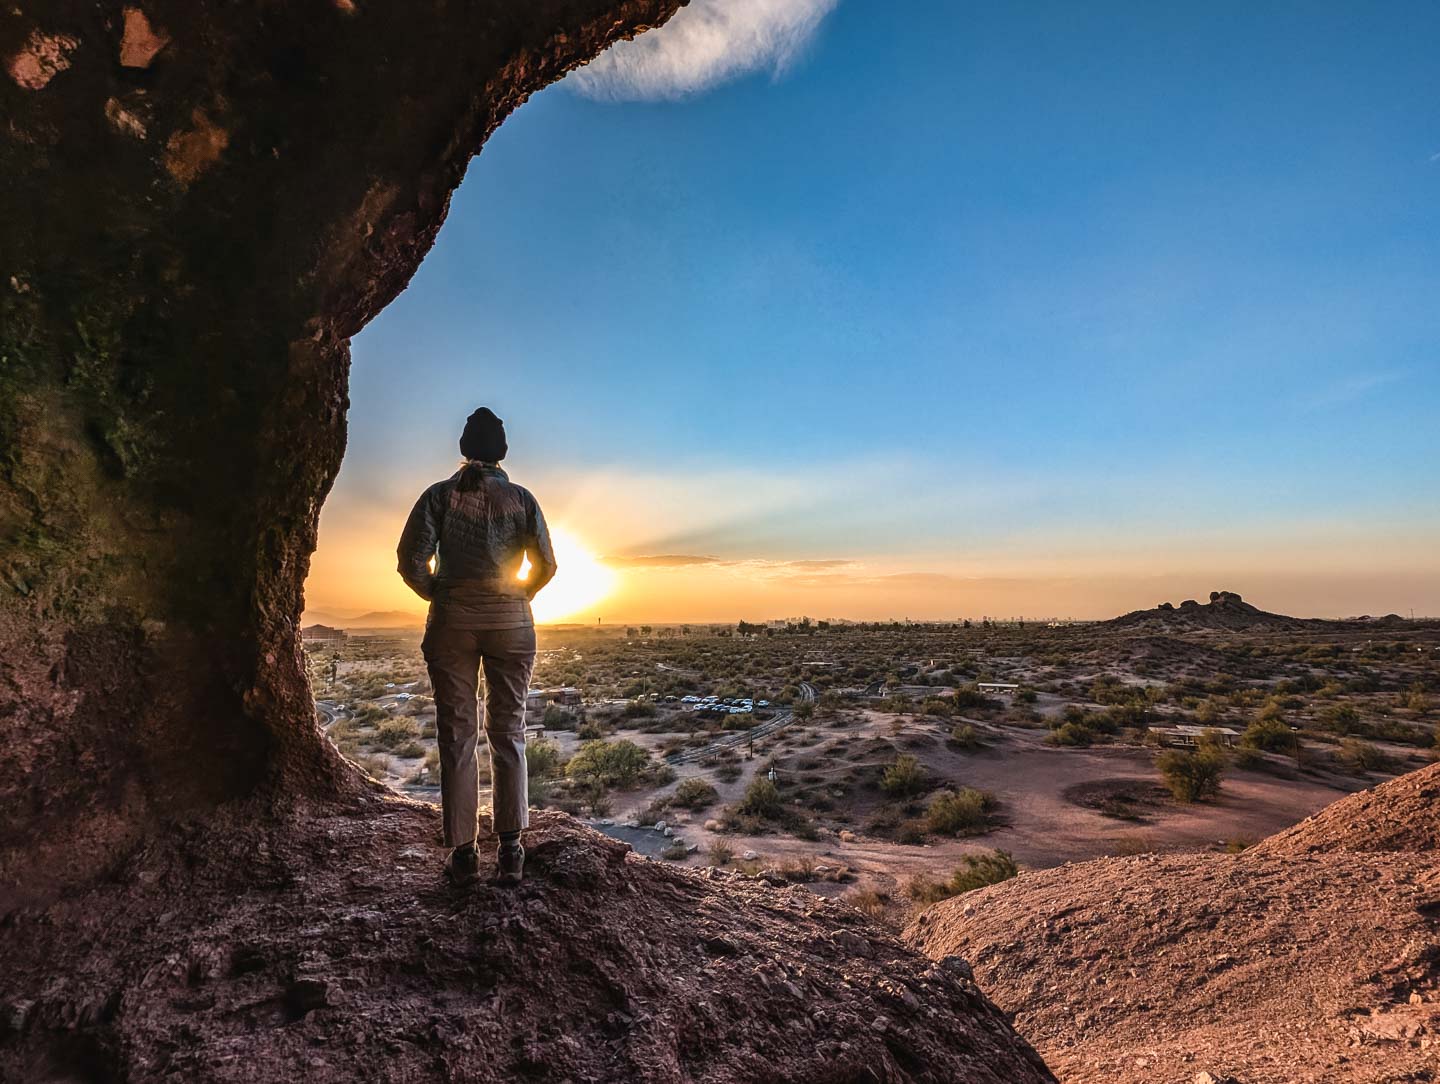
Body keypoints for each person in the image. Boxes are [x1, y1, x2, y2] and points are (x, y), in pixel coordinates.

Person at [397, 407, 557, 886]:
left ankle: (464, 854)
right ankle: (511, 850)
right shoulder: (522, 499)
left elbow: (411, 560)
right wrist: (516, 595)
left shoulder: (440, 496)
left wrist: (441, 594)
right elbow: (545, 564)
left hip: (452, 623)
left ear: (464, 448)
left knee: (457, 733)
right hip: (512, 624)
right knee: (509, 730)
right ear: (502, 452)